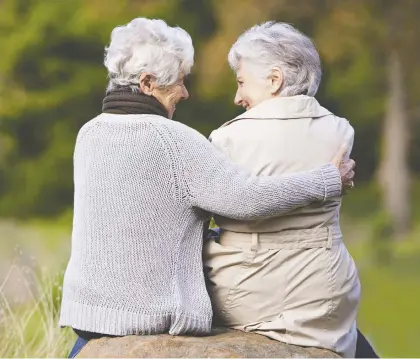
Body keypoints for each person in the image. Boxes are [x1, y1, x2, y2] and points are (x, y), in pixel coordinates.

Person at [59, 18, 355, 358]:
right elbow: (247, 199)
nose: (185, 92)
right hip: (147, 316)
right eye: (179, 82)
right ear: (147, 82)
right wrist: (328, 180)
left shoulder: (90, 133)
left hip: (87, 315)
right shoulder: (174, 140)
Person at [204, 22, 375, 358]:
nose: (237, 97)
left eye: (241, 82)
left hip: (248, 291)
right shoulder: (341, 131)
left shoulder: (227, 138)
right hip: (327, 292)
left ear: (274, 79)